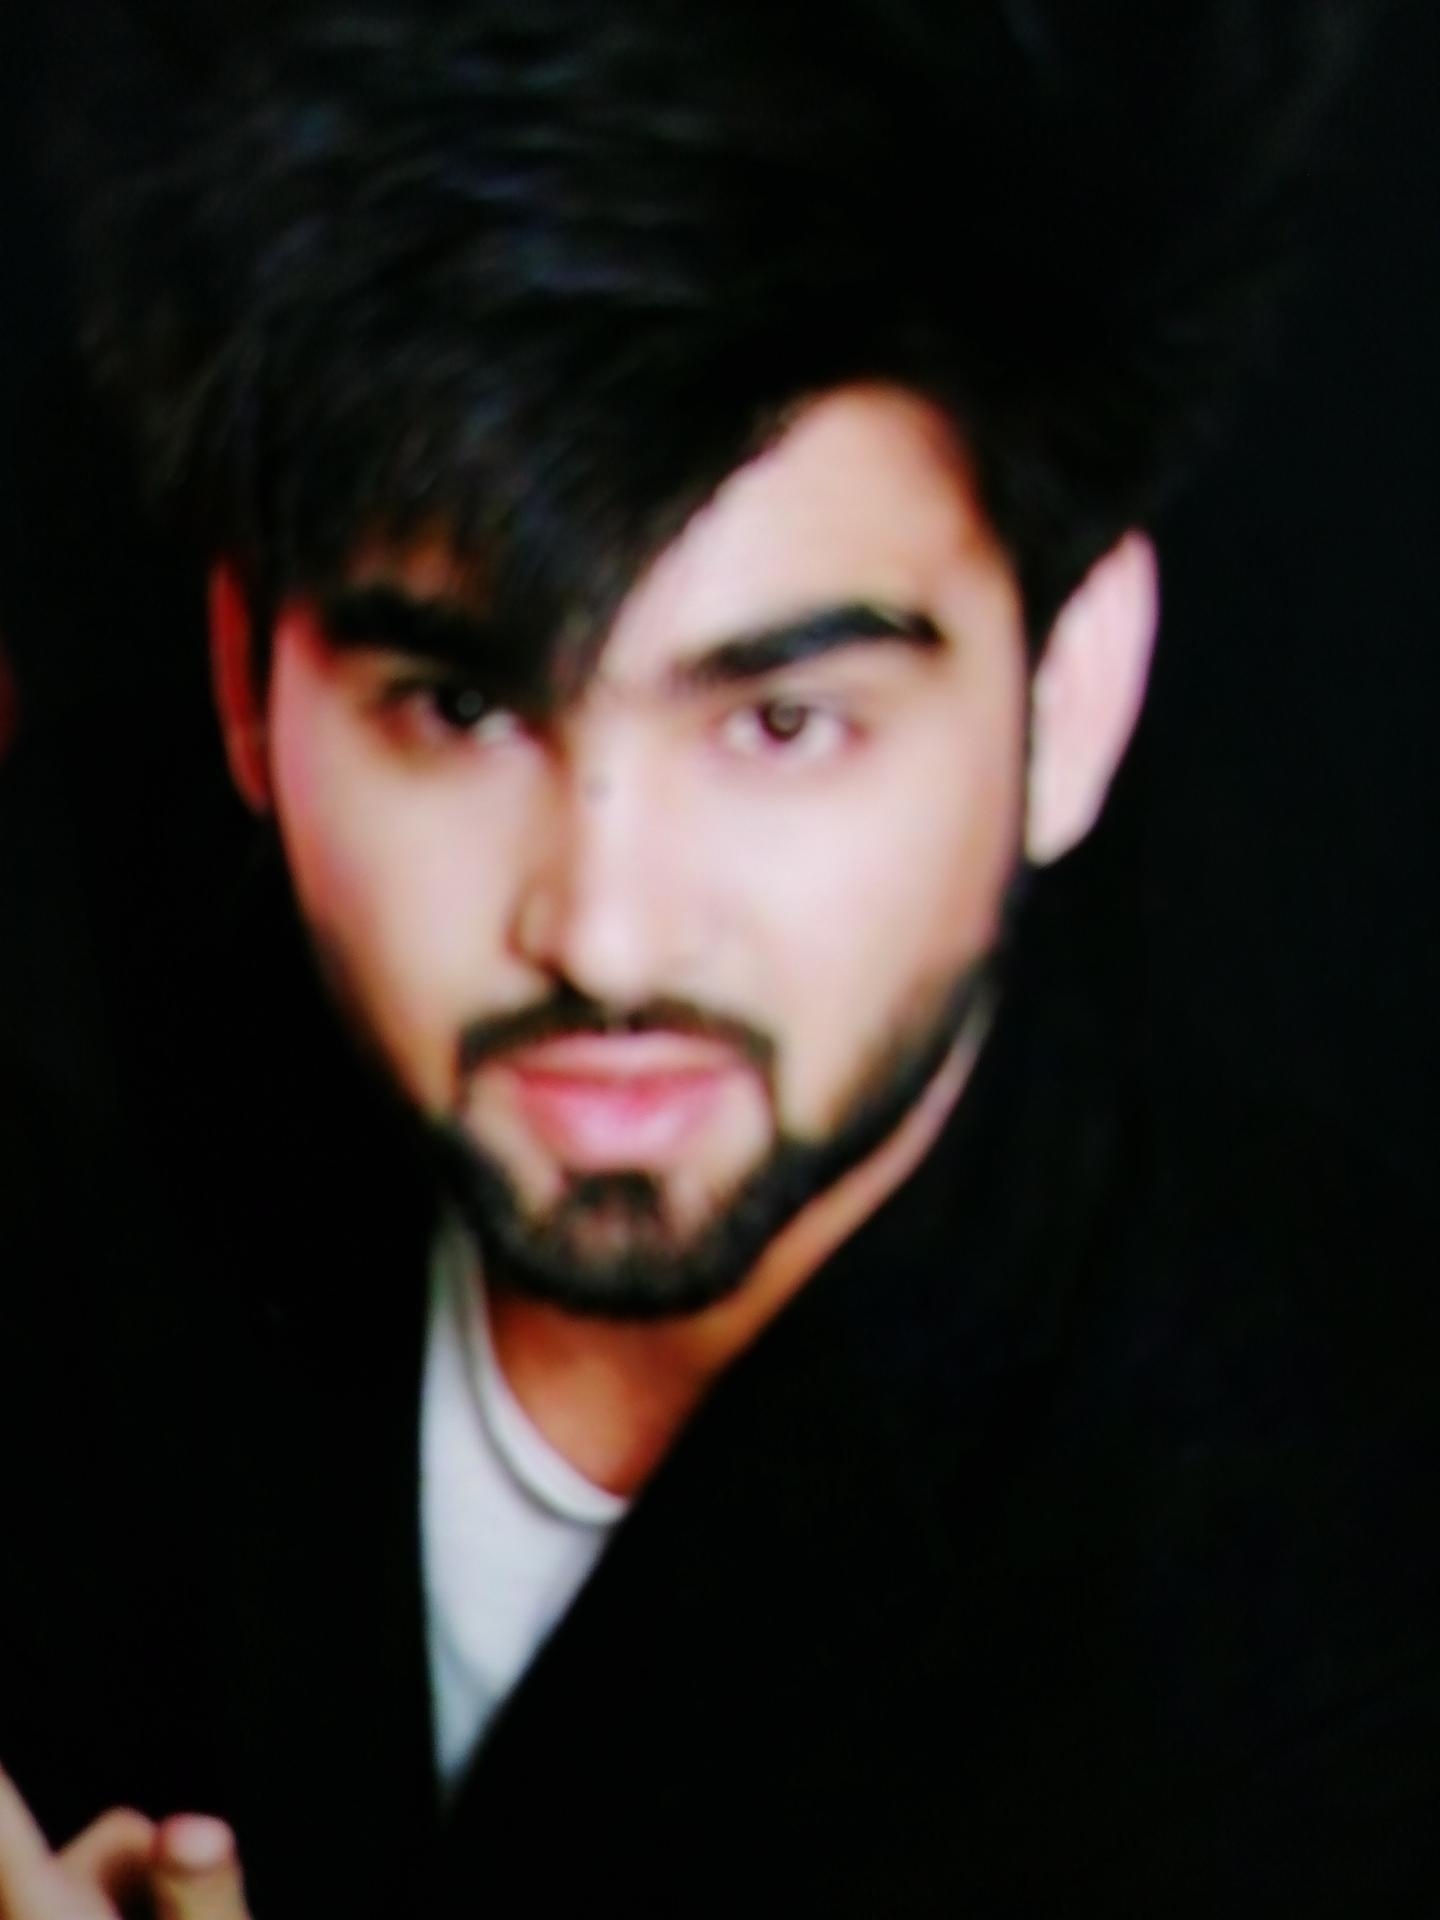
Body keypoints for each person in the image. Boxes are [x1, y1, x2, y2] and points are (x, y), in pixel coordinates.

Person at [3, 1, 1437, 1914]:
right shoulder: (82, 1081)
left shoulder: (1333, 1586)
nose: (601, 929)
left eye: (779, 723)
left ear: (1070, 697)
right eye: (458, 708)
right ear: (247, 684)